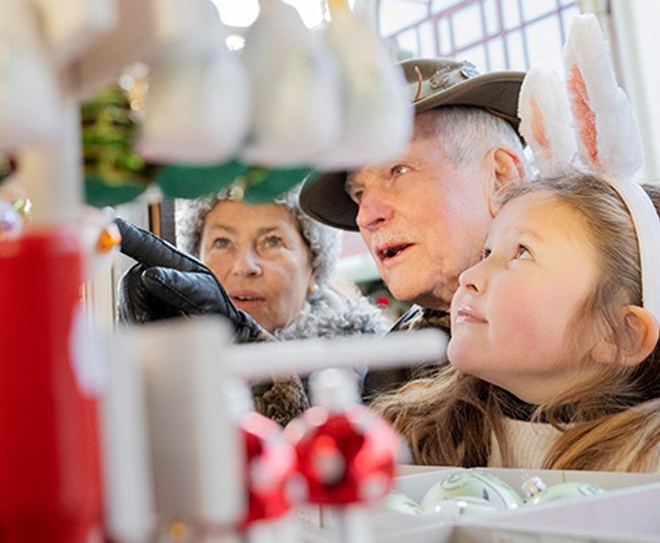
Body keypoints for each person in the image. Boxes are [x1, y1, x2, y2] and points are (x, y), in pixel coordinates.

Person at [374, 172, 660, 472]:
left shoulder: (646, 468)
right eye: (487, 252)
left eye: (521, 253)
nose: (468, 277)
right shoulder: (407, 435)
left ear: (619, 335)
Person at [299, 57, 530, 395]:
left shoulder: (602, 322)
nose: (365, 216)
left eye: (399, 171)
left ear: (501, 176)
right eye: (359, 193)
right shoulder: (389, 376)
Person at [116, 186, 388, 424]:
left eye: (272, 241)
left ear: (314, 269)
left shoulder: (374, 373)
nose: (244, 266)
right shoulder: (180, 370)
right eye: (222, 242)